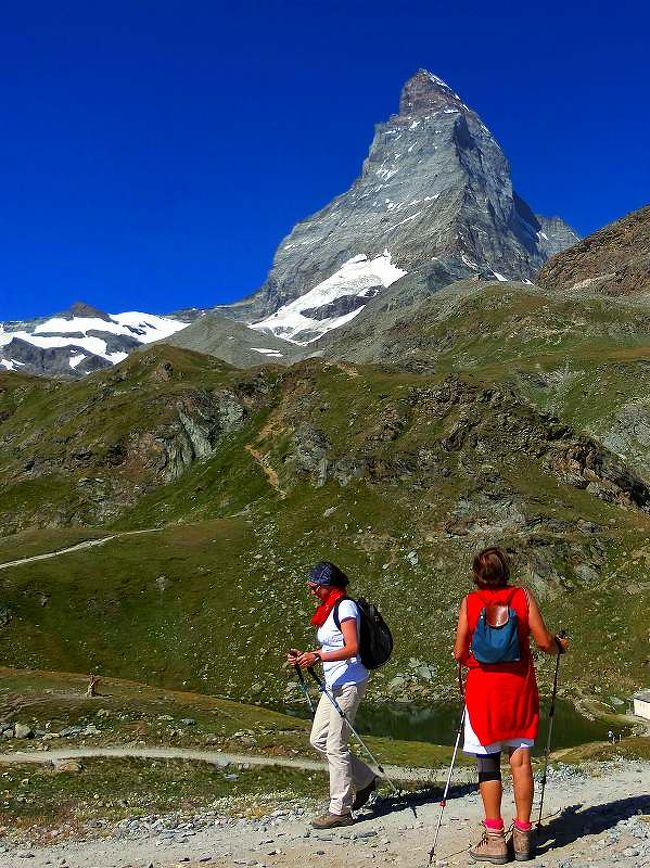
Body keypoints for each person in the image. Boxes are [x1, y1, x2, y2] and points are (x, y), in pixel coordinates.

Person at [453, 547, 569, 863]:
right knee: (520, 761)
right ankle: (522, 835)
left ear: (477, 575)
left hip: (483, 691)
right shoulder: (522, 597)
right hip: (518, 688)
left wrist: (475, 660)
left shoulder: (470, 602)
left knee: (488, 763)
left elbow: (459, 652)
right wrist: (560, 645)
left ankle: (494, 839)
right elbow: (545, 643)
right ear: (507, 570)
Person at [287, 560, 376, 829]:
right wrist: (306, 656)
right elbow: (332, 645)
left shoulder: (345, 607)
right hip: (333, 683)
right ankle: (365, 779)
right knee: (319, 740)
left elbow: (352, 647)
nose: (312, 591)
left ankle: (341, 809)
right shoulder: (328, 609)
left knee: (336, 744)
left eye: (315, 587)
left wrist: (317, 656)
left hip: (349, 683)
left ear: (327, 585)